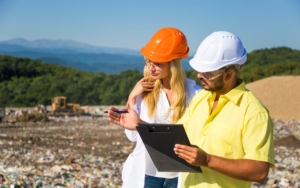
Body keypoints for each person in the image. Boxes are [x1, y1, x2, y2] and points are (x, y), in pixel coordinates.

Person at [108, 31, 275, 188]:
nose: (199, 75)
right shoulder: (201, 100)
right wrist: (140, 124)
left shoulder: (254, 112)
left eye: (207, 72)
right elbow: (173, 137)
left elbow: (260, 171)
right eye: (199, 70)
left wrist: (207, 160)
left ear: (228, 75)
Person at [116, 27, 202, 188]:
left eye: (158, 63)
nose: (151, 68)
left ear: (174, 63)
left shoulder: (196, 95)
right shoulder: (144, 92)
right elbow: (132, 137)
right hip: (149, 174)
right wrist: (132, 98)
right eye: (148, 61)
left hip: (180, 175)